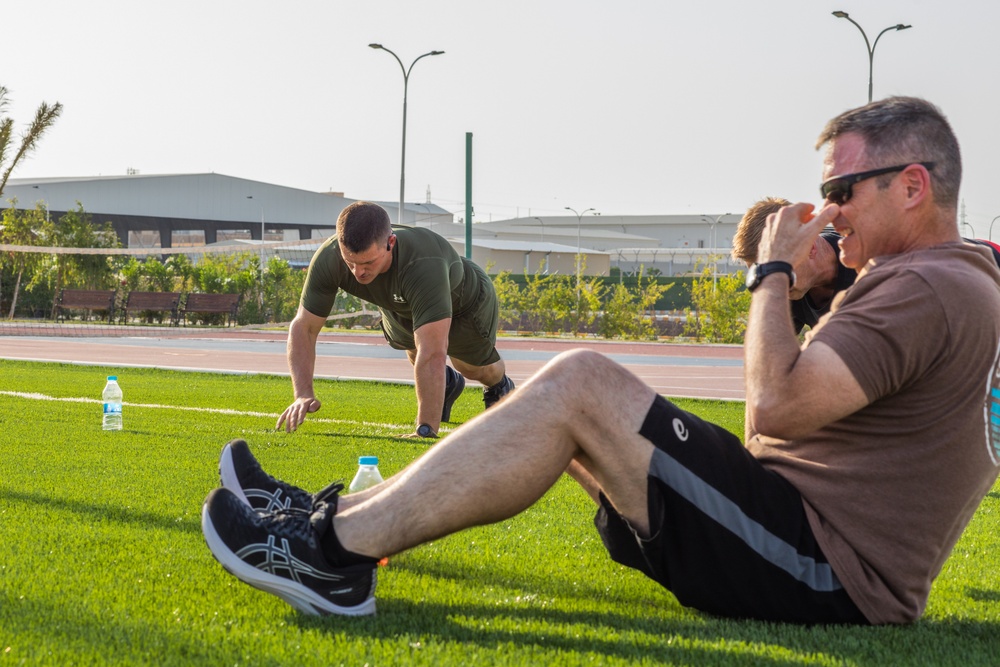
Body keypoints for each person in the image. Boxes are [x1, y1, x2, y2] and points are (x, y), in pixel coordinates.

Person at [202, 97, 1000, 624]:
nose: (826, 210)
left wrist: (775, 271)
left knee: (583, 380)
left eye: (843, 189)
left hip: (829, 567)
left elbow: (777, 410)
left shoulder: (928, 287)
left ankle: (330, 555)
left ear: (912, 186)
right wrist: (809, 287)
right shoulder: (925, 281)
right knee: (573, 394)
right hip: (793, 528)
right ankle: (331, 525)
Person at [276, 201, 514, 439]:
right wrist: (302, 393)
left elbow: (433, 352)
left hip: (465, 301)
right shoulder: (329, 257)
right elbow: (304, 327)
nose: (358, 273)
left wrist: (425, 429)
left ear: (390, 243)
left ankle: (499, 385)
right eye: (351, 262)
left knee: (470, 367)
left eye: (368, 263)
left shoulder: (422, 263)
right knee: (411, 350)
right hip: (398, 303)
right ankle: (447, 383)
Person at [733, 196, 1000, 332]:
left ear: (809, 246)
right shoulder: (785, 284)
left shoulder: (871, 262)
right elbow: (769, 378)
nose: (767, 285)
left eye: (772, 267)